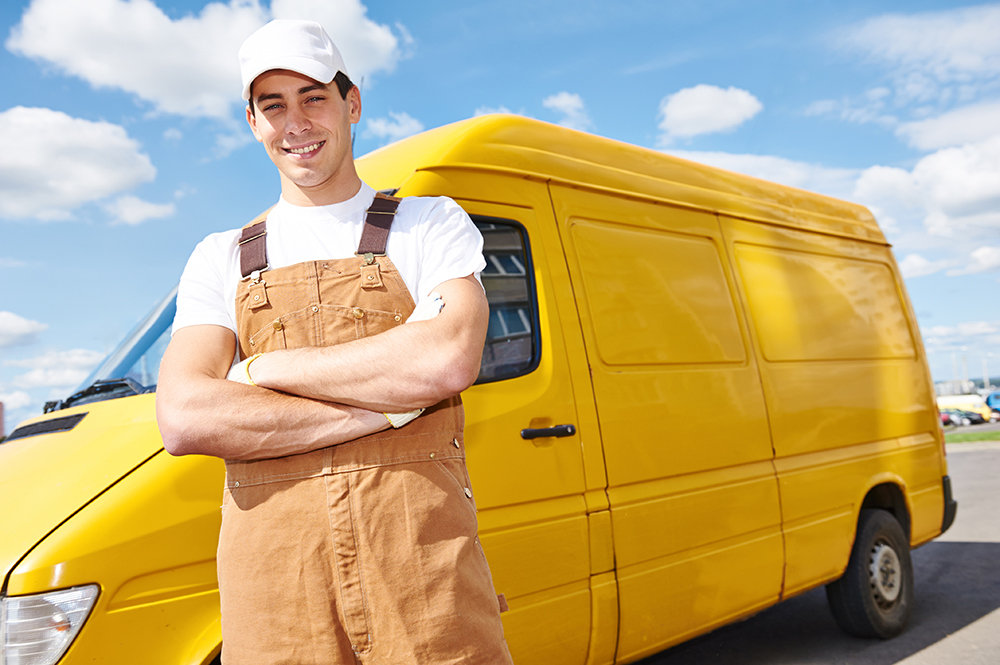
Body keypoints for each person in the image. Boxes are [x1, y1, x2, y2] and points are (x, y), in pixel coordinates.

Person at [156, 19, 513, 665]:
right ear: (253, 122)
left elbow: (446, 356)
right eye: (274, 106)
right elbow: (185, 416)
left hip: (420, 563)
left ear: (351, 103)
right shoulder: (220, 257)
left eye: (313, 97)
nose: (296, 123)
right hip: (275, 582)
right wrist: (386, 406)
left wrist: (265, 367)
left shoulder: (429, 223)